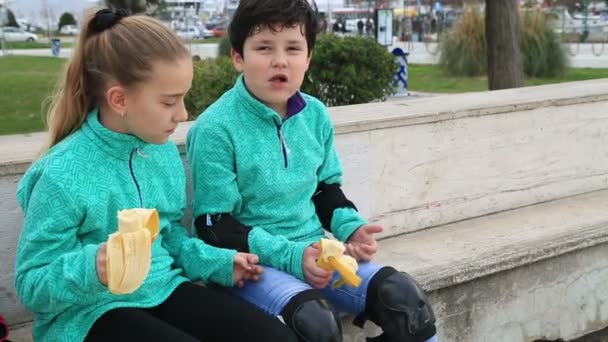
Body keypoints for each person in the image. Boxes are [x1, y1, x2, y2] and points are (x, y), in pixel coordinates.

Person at [14, 8, 297, 342]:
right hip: (90, 313)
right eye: (169, 102)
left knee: (274, 337)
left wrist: (217, 262)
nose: (183, 113)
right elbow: (31, 285)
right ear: (119, 99)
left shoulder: (160, 151)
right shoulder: (61, 174)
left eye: (183, 98)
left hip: (163, 287)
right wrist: (93, 267)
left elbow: (168, 235)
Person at [186, 0, 439, 341]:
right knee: (315, 324)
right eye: (263, 48)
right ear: (237, 57)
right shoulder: (216, 128)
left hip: (317, 253)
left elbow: (324, 189)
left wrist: (350, 229)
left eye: (293, 48)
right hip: (252, 265)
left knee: (406, 301)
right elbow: (214, 226)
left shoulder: (315, 115)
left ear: (307, 58)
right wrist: (293, 256)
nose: (280, 60)